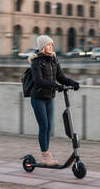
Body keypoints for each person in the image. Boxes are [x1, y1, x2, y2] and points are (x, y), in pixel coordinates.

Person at [28, 35, 79, 166]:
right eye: (48, 45)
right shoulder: (36, 62)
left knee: (49, 127)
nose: (50, 47)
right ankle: (45, 156)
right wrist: (55, 85)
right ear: (42, 47)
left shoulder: (54, 60)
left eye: (51, 45)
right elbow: (39, 81)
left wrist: (73, 83)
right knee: (43, 126)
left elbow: (60, 77)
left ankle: (47, 153)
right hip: (38, 98)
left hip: (49, 97)